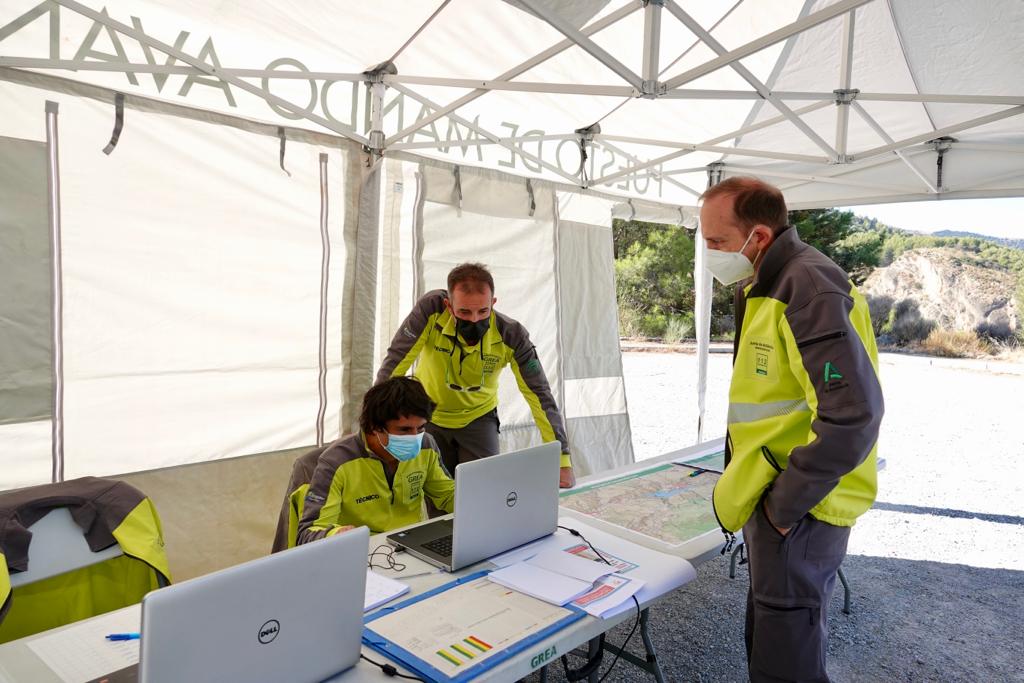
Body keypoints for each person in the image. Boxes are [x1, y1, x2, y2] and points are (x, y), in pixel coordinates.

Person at [701, 177, 883, 682]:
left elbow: (852, 415)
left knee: (787, 665)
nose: (709, 253)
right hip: (780, 492)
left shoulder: (807, 286)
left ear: (757, 237)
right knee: (773, 646)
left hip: (801, 505)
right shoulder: (771, 281)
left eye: (716, 242)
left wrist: (783, 507)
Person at [376, 263, 575, 489]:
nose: (474, 320)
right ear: (449, 306)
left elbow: (539, 395)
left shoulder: (512, 335)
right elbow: (395, 364)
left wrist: (562, 459)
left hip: (479, 418)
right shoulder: (430, 311)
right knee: (438, 497)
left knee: (484, 490)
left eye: (483, 311)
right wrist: (375, 425)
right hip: (429, 417)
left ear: (493, 303)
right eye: (464, 312)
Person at [295, 377, 454, 543]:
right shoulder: (336, 462)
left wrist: (477, 500)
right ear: (374, 427)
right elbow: (307, 534)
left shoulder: (426, 444)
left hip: (412, 543)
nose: (415, 438)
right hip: (362, 549)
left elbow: (448, 495)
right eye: (404, 430)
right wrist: (337, 534)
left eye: (420, 428)